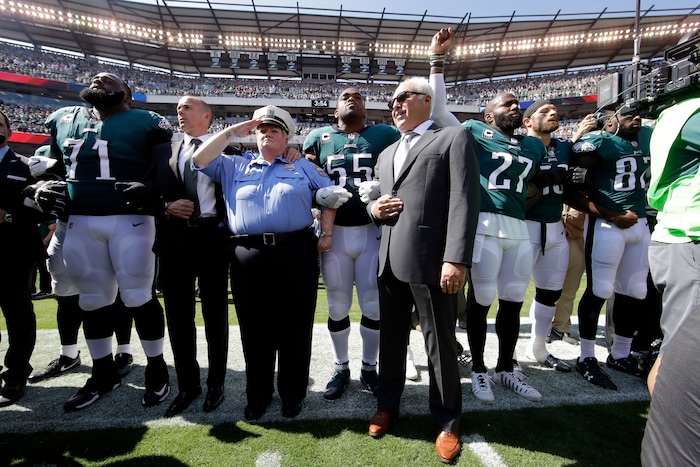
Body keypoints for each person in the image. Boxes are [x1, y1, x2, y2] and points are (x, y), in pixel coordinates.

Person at [193, 105, 347, 421]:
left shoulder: (301, 165)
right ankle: (258, 396)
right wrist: (233, 130)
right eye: (262, 130)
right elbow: (199, 159)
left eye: (274, 130)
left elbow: (331, 195)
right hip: (248, 255)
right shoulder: (235, 165)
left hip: (295, 252)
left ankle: (293, 395)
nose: (266, 134)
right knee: (254, 330)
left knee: (295, 328)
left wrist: (327, 231)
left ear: (287, 137)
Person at [42, 72, 176, 411]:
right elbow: (54, 168)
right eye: (96, 77)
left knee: (137, 296)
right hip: (80, 220)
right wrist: (41, 187)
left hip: (129, 218)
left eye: (112, 79)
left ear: (127, 96)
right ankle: (103, 372)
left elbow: (164, 167)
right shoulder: (63, 119)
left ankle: (157, 368)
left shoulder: (146, 120)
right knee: (91, 300)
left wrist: (156, 192)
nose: (101, 78)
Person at [365, 76, 480, 465]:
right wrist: (373, 210)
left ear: (427, 100)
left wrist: (456, 258)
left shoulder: (452, 137)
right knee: (391, 343)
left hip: (433, 261)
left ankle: (448, 421)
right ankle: (387, 405)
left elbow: (464, 201)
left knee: (440, 345)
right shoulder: (386, 154)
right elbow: (380, 201)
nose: (395, 105)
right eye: (392, 100)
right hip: (389, 261)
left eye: (403, 97)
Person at [429, 27, 545, 404]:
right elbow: (439, 111)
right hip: (485, 225)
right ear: (488, 113)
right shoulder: (475, 131)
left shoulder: (532, 144)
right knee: (482, 300)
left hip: (519, 228)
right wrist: (437, 61)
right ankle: (478, 368)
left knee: (513, 301)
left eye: (518, 104)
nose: (516, 107)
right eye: (507, 104)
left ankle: (506, 367)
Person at [303, 88, 400, 400]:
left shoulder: (386, 134)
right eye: (345, 96)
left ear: (367, 110)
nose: (352, 98)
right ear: (334, 112)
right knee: (337, 304)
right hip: (337, 233)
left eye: (359, 96)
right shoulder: (318, 138)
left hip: (374, 232)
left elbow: (407, 171)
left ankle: (369, 367)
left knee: (373, 305)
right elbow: (305, 178)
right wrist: (317, 199)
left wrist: (384, 188)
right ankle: (340, 365)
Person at [27, 147, 134, 384]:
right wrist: (41, 186)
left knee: (113, 290)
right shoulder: (57, 144)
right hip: (65, 225)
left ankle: (123, 351)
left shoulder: (112, 144)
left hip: (105, 224)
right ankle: (68, 354)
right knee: (64, 291)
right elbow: (34, 169)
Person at [155, 96, 230, 417]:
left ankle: (216, 383)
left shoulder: (229, 152)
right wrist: (165, 206)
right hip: (175, 241)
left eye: (186, 108)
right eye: (177, 109)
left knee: (216, 315)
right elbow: (145, 189)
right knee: (178, 317)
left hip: (213, 238)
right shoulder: (162, 152)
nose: (179, 113)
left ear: (206, 116)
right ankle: (188, 385)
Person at [571, 108, 651, 390]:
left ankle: (620, 353)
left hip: (641, 224)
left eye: (638, 114)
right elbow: (573, 187)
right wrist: (610, 213)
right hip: (608, 224)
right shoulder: (601, 141)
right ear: (611, 121)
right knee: (600, 289)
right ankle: (587, 356)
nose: (636, 118)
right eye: (628, 114)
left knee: (636, 290)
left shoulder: (648, 136)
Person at [641, 96, 700, 466]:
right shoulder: (689, 112)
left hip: (681, 241)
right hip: (690, 239)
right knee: (681, 361)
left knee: (677, 355)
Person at [522, 102, 597, 372]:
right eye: (544, 112)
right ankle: (505, 357)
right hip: (524, 226)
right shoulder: (518, 145)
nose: (553, 114)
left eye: (554, 111)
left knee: (550, 291)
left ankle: (538, 347)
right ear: (527, 122)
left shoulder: (565, 147)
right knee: (512, 293)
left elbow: (575, 182)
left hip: (554, 227)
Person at [0, 110, 48, 407]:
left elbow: (40, 207)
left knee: (17, 312)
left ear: (8, 130)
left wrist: (6, 215)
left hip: (13, 249)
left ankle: (16, 373)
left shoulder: (26, 166)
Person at [549, 204, 585, 345]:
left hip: (577, 238)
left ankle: (560, 327)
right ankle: (543, 327)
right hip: (554, 235)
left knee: (570, 289)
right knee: (547, 286)